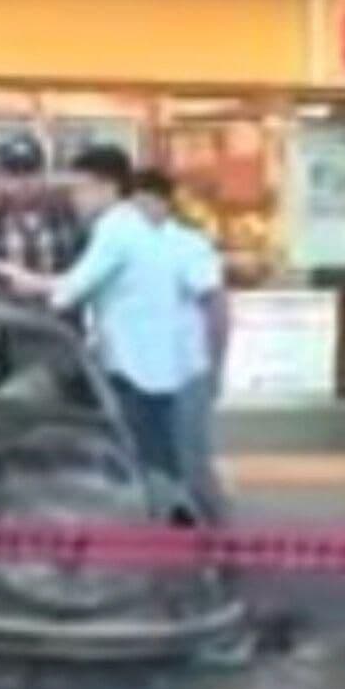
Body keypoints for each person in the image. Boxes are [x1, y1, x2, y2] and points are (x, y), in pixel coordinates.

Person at [0, 145, 193, 479]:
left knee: (147, 469)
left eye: (80, 189)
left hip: (133, 369)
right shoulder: (137, 227)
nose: (74, 198)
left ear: (109, 187)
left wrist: (18, 279)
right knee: (157, 462)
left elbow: (68, 292)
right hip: (151, 366)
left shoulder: (115, 231)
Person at [133, 167, 231, 520]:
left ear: (165, 204)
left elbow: (216, 307)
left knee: (191, 465)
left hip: (184, 373)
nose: (140, 211)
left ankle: (223, 547)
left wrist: (215, 367)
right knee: (150, 468)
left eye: (147, 202)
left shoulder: (187, 246)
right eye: (133, 204)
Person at [0, 133, 86, 277]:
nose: (23, 181)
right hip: (2, 300)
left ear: (43, 174)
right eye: (13, 173)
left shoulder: (72, 217)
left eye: (30, 171)